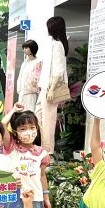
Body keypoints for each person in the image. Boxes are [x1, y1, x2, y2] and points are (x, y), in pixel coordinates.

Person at [1, 105, 50, 208]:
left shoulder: (42, 153)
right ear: (15, 132)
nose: (28, 131)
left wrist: (46, 196)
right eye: (23, 128)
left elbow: (42, 175)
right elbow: (2, 125)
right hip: (15, 198)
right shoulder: (11, 147)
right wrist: (13, 111)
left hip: (35, 198)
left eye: (32, 127)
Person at [36, 16, 69, 154]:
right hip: (45, 87)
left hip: (51, 87)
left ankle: (48, 152)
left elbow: (58, 70)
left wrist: (52, 89)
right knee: (38, 116)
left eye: (49, 26)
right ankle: (42, 148)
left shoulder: (57, 45)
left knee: (48, 121)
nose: (47, 29)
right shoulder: (54, 43)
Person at [17, 40, 42, 111]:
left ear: (32, 48)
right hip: (22, 91)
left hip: (31, 92)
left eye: (26, 48)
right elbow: (20, 76)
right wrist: (19, 88)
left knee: (30, 111)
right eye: (24, 48)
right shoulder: (24, 63)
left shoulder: (38, 62)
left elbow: (38, 78)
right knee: (21, 111)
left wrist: (36, 88)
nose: (24, 50)